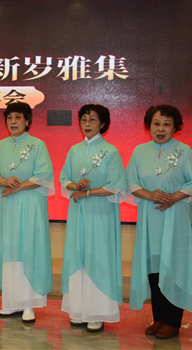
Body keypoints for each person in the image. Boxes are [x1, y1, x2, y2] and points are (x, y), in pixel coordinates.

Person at [126, 105, 192, 339]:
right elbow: (129, 182)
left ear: (175, 127)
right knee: (154, 269)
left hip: (175, 217)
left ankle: (173, 321)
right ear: (148, 126)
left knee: (174, 266)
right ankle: (159, 318)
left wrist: (175, 197)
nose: (161, 129)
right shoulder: (140, 151)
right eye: (156, 123)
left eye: (166, 124)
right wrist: (149, 194)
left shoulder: (184, 151)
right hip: (149, 218)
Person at [59, 104, 126, 332]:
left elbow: (116, 185)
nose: (87, 124)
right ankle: (78, 310)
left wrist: (87, 193)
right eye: (84, 120)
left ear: (103, 124)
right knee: (78, 256)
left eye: (93, 120)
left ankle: (97, 312)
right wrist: (74, 185)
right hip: (78, 214)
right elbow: (63, 179)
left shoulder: (111, 151)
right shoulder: (74, 150)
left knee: (98, 258)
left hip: (101, 215)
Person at [0, 102, 54, 324]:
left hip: (31, 206)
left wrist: (18, 186)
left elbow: (43, 176)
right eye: (9, 118)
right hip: (8, 207)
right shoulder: (1, 145)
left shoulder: (38, 145)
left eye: (18, 118)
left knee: (29, 248)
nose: (13, 122)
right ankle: (11, 302)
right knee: (10, 248)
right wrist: (5, 181)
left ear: (27, 121)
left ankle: (28, 305)